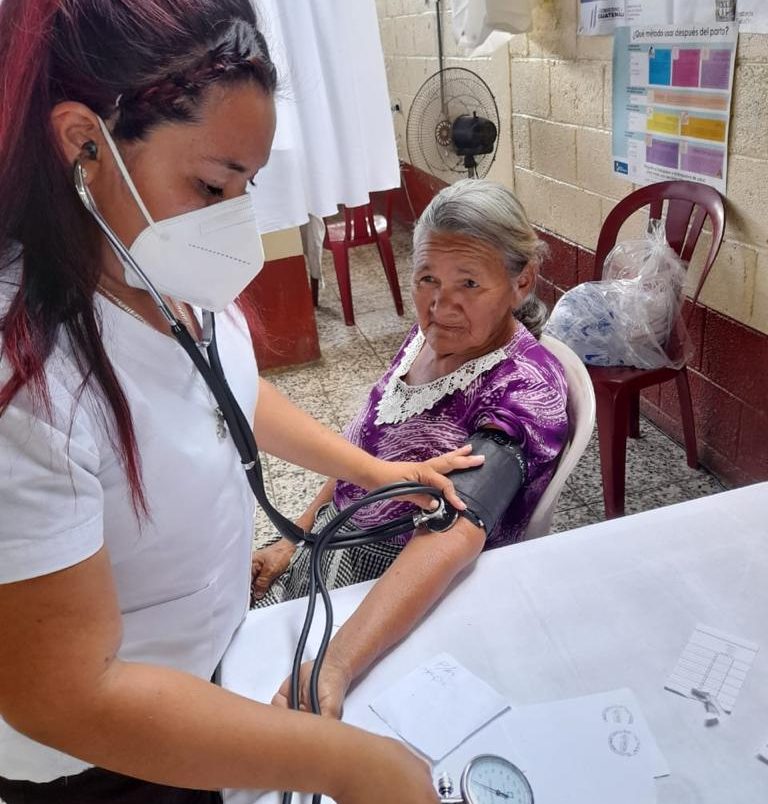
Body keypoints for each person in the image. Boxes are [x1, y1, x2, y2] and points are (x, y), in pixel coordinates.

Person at [0, 3, 484, 803]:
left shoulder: (158, 264)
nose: (234, 220)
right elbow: (65, 695)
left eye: (248, 185)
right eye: (212, 184)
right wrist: (345, 763)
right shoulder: (28, 386)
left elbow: (227, 390)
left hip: (200, 670)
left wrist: (373, 471)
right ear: (84, 142)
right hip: (105, 758)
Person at [251, 179, 570, 717]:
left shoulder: (524, 389)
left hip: (398, 596)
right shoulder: (426, 341)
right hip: (332, 552)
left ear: (522, 282)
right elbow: (365, 451)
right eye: (427, 279)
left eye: (469, 282)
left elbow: (452, 530)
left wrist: (336, 664)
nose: (441, 305)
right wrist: (291, 541)